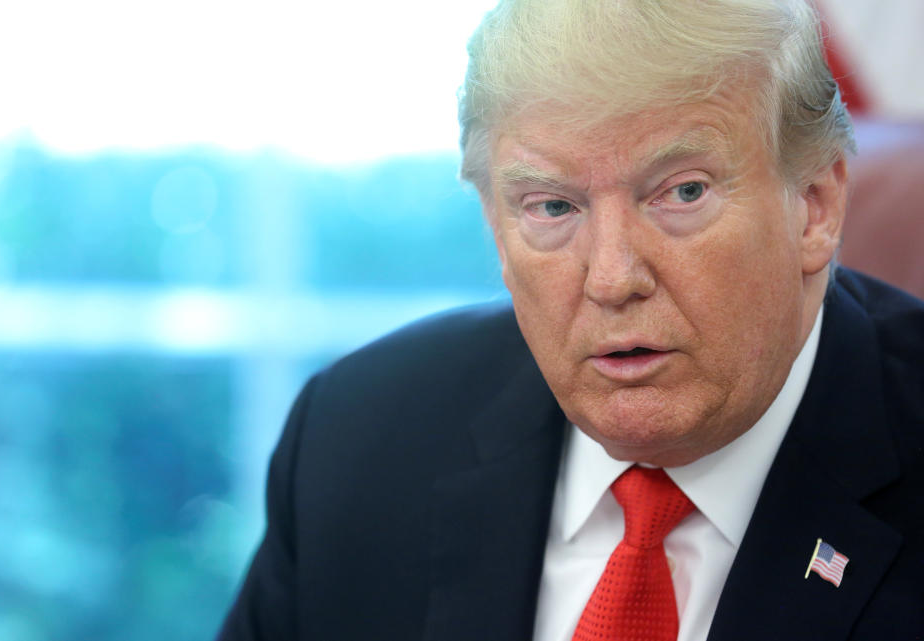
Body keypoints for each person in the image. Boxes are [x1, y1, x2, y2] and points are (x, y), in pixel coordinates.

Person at [216, 1, 924, 639]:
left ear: (816, 205)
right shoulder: (360, 442)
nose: (613, 278)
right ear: (497, 229)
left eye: (682, 192)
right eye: (552, 206)